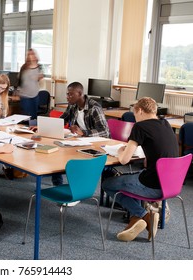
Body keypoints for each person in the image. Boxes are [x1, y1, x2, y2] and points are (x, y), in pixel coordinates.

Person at [102, 97, 178, 242]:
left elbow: (124, 160)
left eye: (135, 114)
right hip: (171, 184)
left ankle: (144, 216)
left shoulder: (140, 127)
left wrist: (120, 151)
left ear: (140, 111)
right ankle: (136, 220)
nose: (135, 118)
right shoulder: (165, 123)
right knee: (132, 179)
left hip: (153, 185)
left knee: (108, 184)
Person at [51, 81, 110, 186]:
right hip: (80, 141)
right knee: (55, 151)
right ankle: (57, 185)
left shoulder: (94, 108)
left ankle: (77, 189)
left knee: (75, 162)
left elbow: (105, 132)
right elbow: (62, 120)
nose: (67, 97)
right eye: (67, 94)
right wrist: (43, 125)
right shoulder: (72, 105)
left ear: (80, 93)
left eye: (70, 94)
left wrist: (84, 132)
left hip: (96, 144)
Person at [17, 48, 44, 120]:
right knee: (26, 117)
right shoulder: (24, 67)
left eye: (33, 54)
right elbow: (20, 80)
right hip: (25, 96)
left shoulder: (39, 67)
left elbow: (40, 78)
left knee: (34, 116)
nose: (32, 56)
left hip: (35, 95)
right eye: (29, 54)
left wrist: (39, 77)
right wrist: (17, 92)